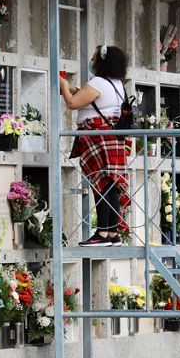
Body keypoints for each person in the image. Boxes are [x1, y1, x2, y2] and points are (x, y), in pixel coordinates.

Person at [61, 45, 130, 247]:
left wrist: (63, 84)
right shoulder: (117, 83)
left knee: (100, 185)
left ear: (102, 61)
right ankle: (112, 233)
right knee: (111, 184)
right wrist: (71, 88)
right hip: (112, 138)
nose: (91, 61)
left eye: (93, 58)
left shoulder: (98, 81)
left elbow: (73, 103)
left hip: (98, 137)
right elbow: (87, 97)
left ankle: (101, 233)